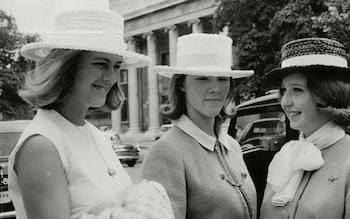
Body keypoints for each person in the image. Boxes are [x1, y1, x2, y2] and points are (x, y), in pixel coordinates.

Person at [8, 1, 174, 219]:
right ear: (67, 66)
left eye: (116, 66)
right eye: (101, 64)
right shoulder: (42, 144)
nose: (112, 78)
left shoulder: (94, 134)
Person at [141, 33, 257, 219]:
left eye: (222, 79)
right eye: (202, 78)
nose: (215, 88)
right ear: (181, 84)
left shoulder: (233, 146)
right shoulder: (166, 151)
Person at [260, 38, 350, 219]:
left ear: (327, 94)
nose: (285, 102)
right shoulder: (284, 157)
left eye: (297, 90)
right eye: (284, 90)